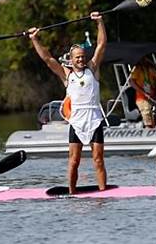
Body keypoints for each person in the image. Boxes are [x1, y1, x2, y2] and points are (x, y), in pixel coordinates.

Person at [28, 11, 107, 194]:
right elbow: (48, 59)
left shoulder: (93, 69)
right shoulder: (67, 74)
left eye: (82, 56)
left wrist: (100, 22)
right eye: (77, 57)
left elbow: (101, 44)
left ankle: (104, 192)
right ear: (71, 60)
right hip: (77, 122)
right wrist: (35, 39)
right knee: (74, 160)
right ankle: (72, 192)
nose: (81, 59)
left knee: (98, 159)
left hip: (94, 119)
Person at [129, 57, 156, 128]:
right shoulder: (137, 69)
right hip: (142, 98)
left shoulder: (150, 69)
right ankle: (148, 129)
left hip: (152, 97)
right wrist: (144, 93)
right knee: (147, 113)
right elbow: (131, 82)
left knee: (154, 118)